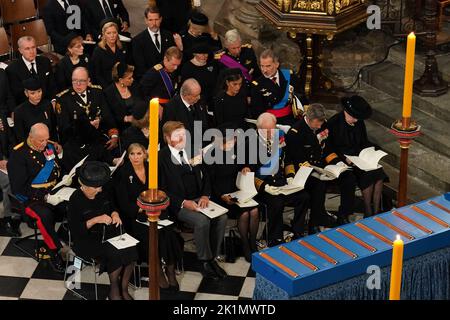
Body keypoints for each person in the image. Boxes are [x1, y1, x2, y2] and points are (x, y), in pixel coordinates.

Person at [158, 121, 227, 280]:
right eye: (178, 136)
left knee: (221, 218)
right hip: (178, 203)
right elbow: (162, 190)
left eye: (184, 134)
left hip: (199, 197)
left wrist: (205, 195)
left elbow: (206, 176)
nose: (183, 138)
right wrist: (183, 202)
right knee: (202, 222)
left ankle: (212, 258)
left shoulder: (193, 150)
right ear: (168, 138)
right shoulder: (161, 158)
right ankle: (204, 261)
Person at [114, 143, 183, 291]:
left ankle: (170, 270)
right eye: (132, 154)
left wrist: (156, 205)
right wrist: (140, 208)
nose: (135, 157)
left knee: (169, 233)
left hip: (157, 210)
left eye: (139, 153)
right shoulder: (123, 172)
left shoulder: (153, 168)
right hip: (136, 216)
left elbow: (162, 190)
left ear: (145, 154)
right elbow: (123, 201)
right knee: (151, 236)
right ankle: (157, 271)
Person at [68, 161, 138, 300]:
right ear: (84, 186)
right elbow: (75, 230)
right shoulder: (75, 199)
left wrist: (115, 214)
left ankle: (123, 289)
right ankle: (114, 291)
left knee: (131, 249)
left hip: (110, 233)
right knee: (115, 254)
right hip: (87, 241)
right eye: (96, 187)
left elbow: (113, 207)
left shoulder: (104, 192)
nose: (100, 190)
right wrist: (95, 220)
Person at [7, 123, 69, 273]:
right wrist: (45, 196)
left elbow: (55, 167)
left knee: (72, 203)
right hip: (30, 197)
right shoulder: (18, 154)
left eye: (46, 139)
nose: (44, 143)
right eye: (40, 140)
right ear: (30, 136)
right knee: (45, 215)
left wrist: (65, 178)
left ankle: (67, 233)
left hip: (53, 190)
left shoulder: (48, 146)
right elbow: (19, 188)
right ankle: (53, 251)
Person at [285, 103, 357, 231]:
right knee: (319, 185)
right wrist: (317, 172)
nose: (320, 126)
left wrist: (337, 163)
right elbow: (298, 159)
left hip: (323, 166)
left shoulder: (322, 125)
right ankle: (315, 222)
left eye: (321, 122)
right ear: (310, 119)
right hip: (305, 170)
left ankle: (344, 214)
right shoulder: (295, 133)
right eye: (318, 122)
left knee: (348, 177)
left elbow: (327, 149)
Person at [251, 113, 310, 245]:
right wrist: (265, 187)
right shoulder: (250, 143)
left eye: (273, 128)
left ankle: (297, 231)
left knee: (303, 197)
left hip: (281, 182)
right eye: (267, 130)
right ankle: (274, 237)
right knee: (276, 203)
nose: (271, 133)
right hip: (262, 186)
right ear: (258, 129)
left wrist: (290, 177)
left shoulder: (280, 136)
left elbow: (287, 160)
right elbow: (250, 174)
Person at [328, 95, 388, 217]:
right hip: (344, 160)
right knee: (367, 176)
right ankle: (368, 211)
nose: (356, 120)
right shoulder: (333, 123)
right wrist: (345, 158)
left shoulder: (359, 122)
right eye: (353, 117)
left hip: (360, 157)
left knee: (379, 173)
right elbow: (331, 147)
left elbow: (364, 141)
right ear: (346, 111)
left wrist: (374, 150)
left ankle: (376, 211)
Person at [207, 126, 259, 262]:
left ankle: (252, 243)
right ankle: (245, 245)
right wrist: (222, 196)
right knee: (244, 213)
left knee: (254, 211)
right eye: (230, 141)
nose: (233, 143)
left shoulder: (236, 150)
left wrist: (246, 167)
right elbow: (210, 183)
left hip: (237, 191)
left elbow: (245, 164)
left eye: (234, 141)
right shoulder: (212, 155)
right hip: (221, 196)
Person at [55, 67, 119, 151]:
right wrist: (87, 127)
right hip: (78, 144)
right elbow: (64, 130)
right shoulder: (63, 99)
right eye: (74, 80)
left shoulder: (97, 92)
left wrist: (114, 136)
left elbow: (108, 117)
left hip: (99, 138)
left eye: (82, 81)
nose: (78, 84)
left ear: (88, 80)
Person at [250, 49, 305, 125]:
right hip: (270, 122)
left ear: (276, 64)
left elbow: (302, 97)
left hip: (291, 119)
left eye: (268, 66)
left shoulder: (289, 76)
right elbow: (257, 111)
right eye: (262, 66)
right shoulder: (257, 85)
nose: (264, 70)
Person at [132, 6, 182, 80]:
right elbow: (140, 67)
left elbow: (174, 59)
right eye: (150, 20)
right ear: (146, 20)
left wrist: (180, 47)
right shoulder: (138, 40)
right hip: (150, 81)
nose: (154, 23)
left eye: (156, 19)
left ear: (161, 19)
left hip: (169, 78)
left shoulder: (168, 35)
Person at [161, 79, 209, 154]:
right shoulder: (171, 108)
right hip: (184, 150)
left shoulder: (199, 101)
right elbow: (168, 134)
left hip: (202, 146)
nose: (199, 97)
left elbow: (205, 123)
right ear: (186, 95)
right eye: (196, 95)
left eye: (199, 94)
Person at [6, 36, 57, 105]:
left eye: (33, 47)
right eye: (27, 49)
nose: (31, 51)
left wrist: (53, 100)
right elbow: (17, 95)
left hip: (47, 102)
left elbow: (52, 85)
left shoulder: (45, 61)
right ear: (20, 51)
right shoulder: (12, 69)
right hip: (27, 107)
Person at [13, 78, 58, 143]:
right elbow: (20, 137)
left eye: (39, 91)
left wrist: (55, 143)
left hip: (49, 144)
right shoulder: (19, 111)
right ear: (26, 93)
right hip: (31, 147)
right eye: (33, 93)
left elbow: (53, 128)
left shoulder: (47, 104)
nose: (37, 95)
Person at [104, 62, 142, 133]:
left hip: (138, 123)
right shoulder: (109, 93)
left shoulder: (133, 85)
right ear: (121, 80)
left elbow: (140, 102)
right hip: (122, 128)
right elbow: (109, 116)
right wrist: (126, 118)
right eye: (129, 78)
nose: (132, 79)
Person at [90, 20, 128, 89]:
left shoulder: (122, 46)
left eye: (114, 32)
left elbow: (126, 66)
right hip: (107, 86)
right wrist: (108, 88)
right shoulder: (98, 51)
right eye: (108, 33)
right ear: (104, 35)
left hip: (122, 82)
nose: (112, 36)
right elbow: (97, 74)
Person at [180, 41, 218, 108]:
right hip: (196, 103)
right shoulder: (187, 67)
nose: (204, 56)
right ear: (194, 54)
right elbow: (186, 89)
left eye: (206, 53)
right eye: (201, 53)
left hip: (213, 101)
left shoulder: (212, 64)